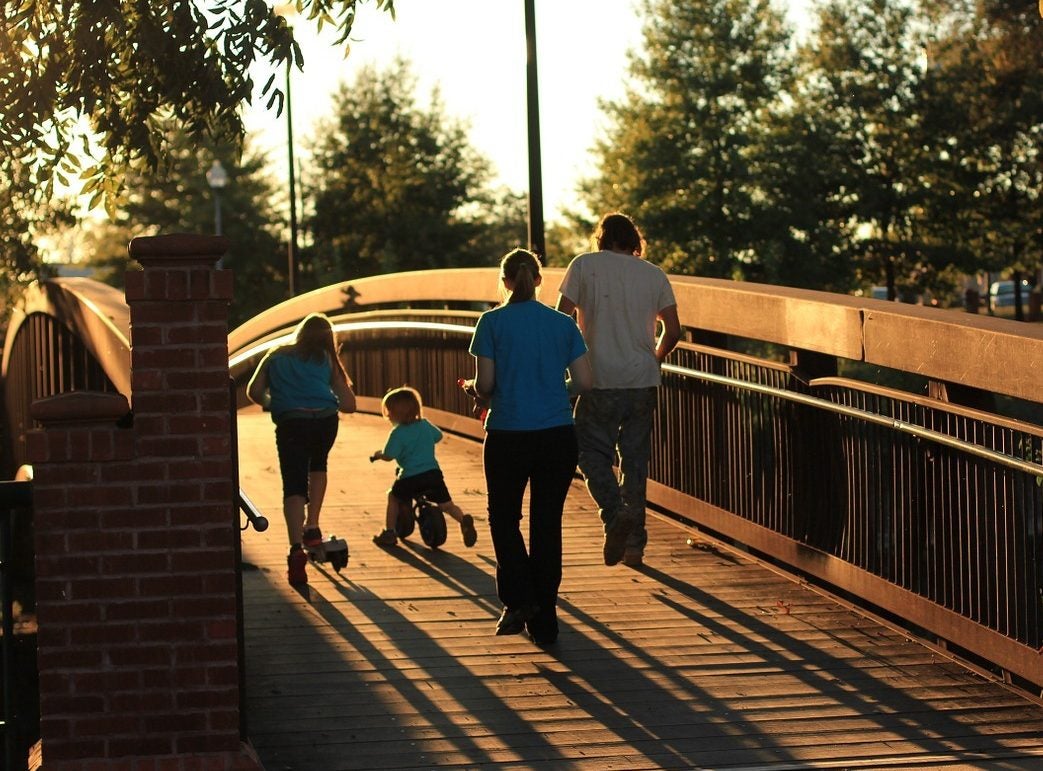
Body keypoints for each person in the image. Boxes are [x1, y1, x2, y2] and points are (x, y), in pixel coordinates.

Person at [463, 248, 592, 645]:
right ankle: (545, 619)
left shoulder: (491, 322)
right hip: (556, 434)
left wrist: (476, 392)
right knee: (546, 524)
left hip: (508, 434)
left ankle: (519, 599)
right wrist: (556, 390)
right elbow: (584, 383)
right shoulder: (562, 324)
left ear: (504, 281)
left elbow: (485, 385)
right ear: (539, 280)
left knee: (504, 519)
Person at [556, 212, 681, 568]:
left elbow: (561, 319)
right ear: (635, 241)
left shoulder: (584, 266)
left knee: (588, 452)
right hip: (642, 381)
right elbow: (673, 330)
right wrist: (654, 358)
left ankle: (614, 514)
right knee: (635, 462)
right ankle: (634, 548)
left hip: (599, 378)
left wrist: (568, 363)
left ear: (602, 237)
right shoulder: (654, 274)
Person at [247, 313, 357, 586]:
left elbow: (253, 390)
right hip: (324, 420)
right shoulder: (326, 359)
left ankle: (296, 547)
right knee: (318, 465)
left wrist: (273, 401)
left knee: (293, 483)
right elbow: (349, 404)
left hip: (291, 421)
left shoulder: (276, 355)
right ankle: (313, 525)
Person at [369, 385, 478, 549]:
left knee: (393, 496)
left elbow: (389, 455)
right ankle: (463, 521)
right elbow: (438, 435)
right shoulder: (424, 424)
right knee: (446, 505)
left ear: (394, 413)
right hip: (433, 474)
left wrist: (379, 455)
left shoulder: (397, 433)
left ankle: (389, 532)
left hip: (410, 477)